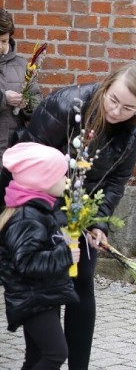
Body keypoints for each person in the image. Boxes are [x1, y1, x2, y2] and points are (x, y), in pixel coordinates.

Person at [1, 63, 136, 369]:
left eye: (128, 108)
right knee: (46, 285)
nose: (117, 111)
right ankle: (43, 358)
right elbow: (28, 159)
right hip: (40, 202)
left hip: (84, 205)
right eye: (113, 101)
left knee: (81, 281)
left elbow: (116, 179)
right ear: (106, 86)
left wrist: (96, 222)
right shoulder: (67, 105)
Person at [0, 143, 79, 370]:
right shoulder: (27, 217)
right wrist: (65, 254)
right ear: (41, 181)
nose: (66, 181)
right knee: (56, 353)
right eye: (61, 176)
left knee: (35, 357)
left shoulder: (39, 210)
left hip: (43, 294)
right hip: (32, 298)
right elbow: (27, 263)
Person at [0, 9, 41, 161]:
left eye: (4, 41)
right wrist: (3, 99)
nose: (0, 46)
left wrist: (28, 104)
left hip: (12, 148)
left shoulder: (22, 65)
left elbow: (37, 100)